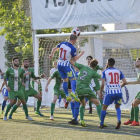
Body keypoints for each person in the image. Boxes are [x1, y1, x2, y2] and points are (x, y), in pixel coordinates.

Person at [49, 34, 85, 101]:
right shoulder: (72, 48)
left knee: (65, 80)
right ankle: (73, 92)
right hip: (66, 65)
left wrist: (51, 55)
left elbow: (54, 49)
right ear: (75, 40)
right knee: (73, 78)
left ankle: (67, 95)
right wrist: (81, 54)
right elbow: (75, 59)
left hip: (59, 64)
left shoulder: (62, 43)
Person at [70, 59, 102, 127]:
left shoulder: (82, 66)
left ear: (89, 63)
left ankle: (81, 120)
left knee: (82, 104)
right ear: (95, 66)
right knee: (97, 103)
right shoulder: (93, 72)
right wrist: (102, 72)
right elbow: (101, 77)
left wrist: (73, 56)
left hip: (78, 89)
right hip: (86, 89)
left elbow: (72, 62)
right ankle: (101, 121)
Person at [99, 58, 127, 129]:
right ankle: (118, 120)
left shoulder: (105, 72)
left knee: (104, 107)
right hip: (118, 92)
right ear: (114, 63)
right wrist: (119, 86)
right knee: (117, 107)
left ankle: (101, 123)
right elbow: (125, 82)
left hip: (109, 92)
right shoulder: (118, 71)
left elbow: (102, 84)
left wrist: (100, 93)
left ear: (107, 63)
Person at [123, 58, 140, 126]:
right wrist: (127, 83)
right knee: (133, 103)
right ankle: (132, 119)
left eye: (137, 61)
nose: (135, 62)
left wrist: (126, 83)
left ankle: (136, 121)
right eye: (135, 61)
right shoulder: (138, 71)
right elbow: (138, 82)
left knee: (135, 103)